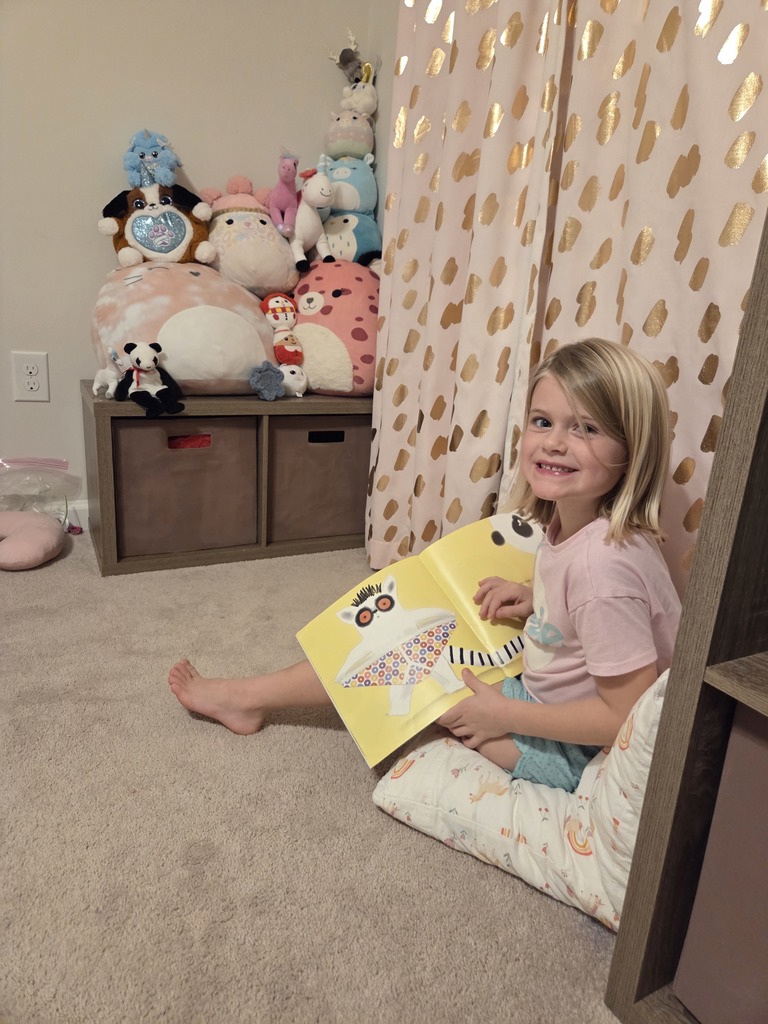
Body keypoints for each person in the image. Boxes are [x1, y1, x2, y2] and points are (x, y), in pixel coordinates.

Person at [169, 338, 681, 792]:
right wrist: (538, 600)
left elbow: (623, 720)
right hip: (544, 703)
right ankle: (251, 697)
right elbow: (595, 612)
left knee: (406, 670)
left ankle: (245, 698)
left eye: (586, 429)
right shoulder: (583, 528)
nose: (554, 442)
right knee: (400, 640)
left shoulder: (602, 571)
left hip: (574, 752)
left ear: (633, 450)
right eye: (543, 421)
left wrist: (504, 714)